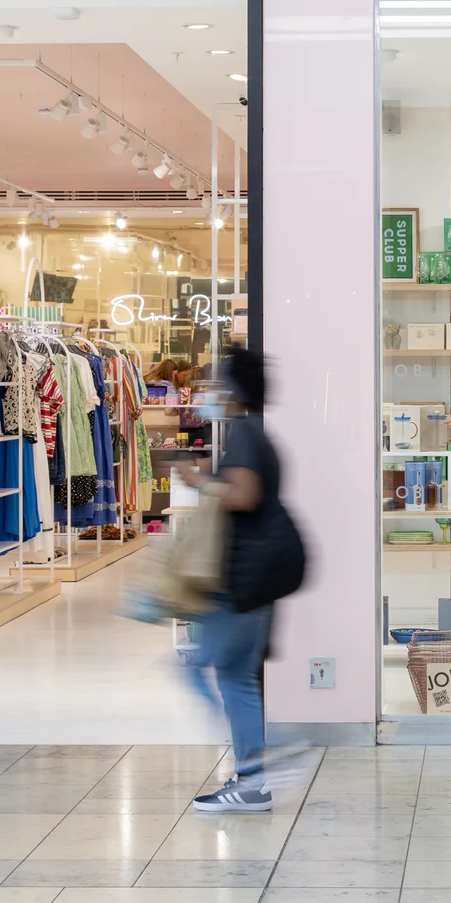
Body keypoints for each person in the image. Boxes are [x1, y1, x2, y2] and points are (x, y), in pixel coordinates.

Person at [177, 346, 306, 813]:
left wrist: (200, 483)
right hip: (259, 575)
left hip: (245, 578)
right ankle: (253, 777)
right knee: (235, 676)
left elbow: (245, 496)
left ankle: (261, 763)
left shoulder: (246, 434)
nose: (211, 393)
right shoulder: (255, 434)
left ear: (231, 390)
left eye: (216, 384)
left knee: (195, 668)